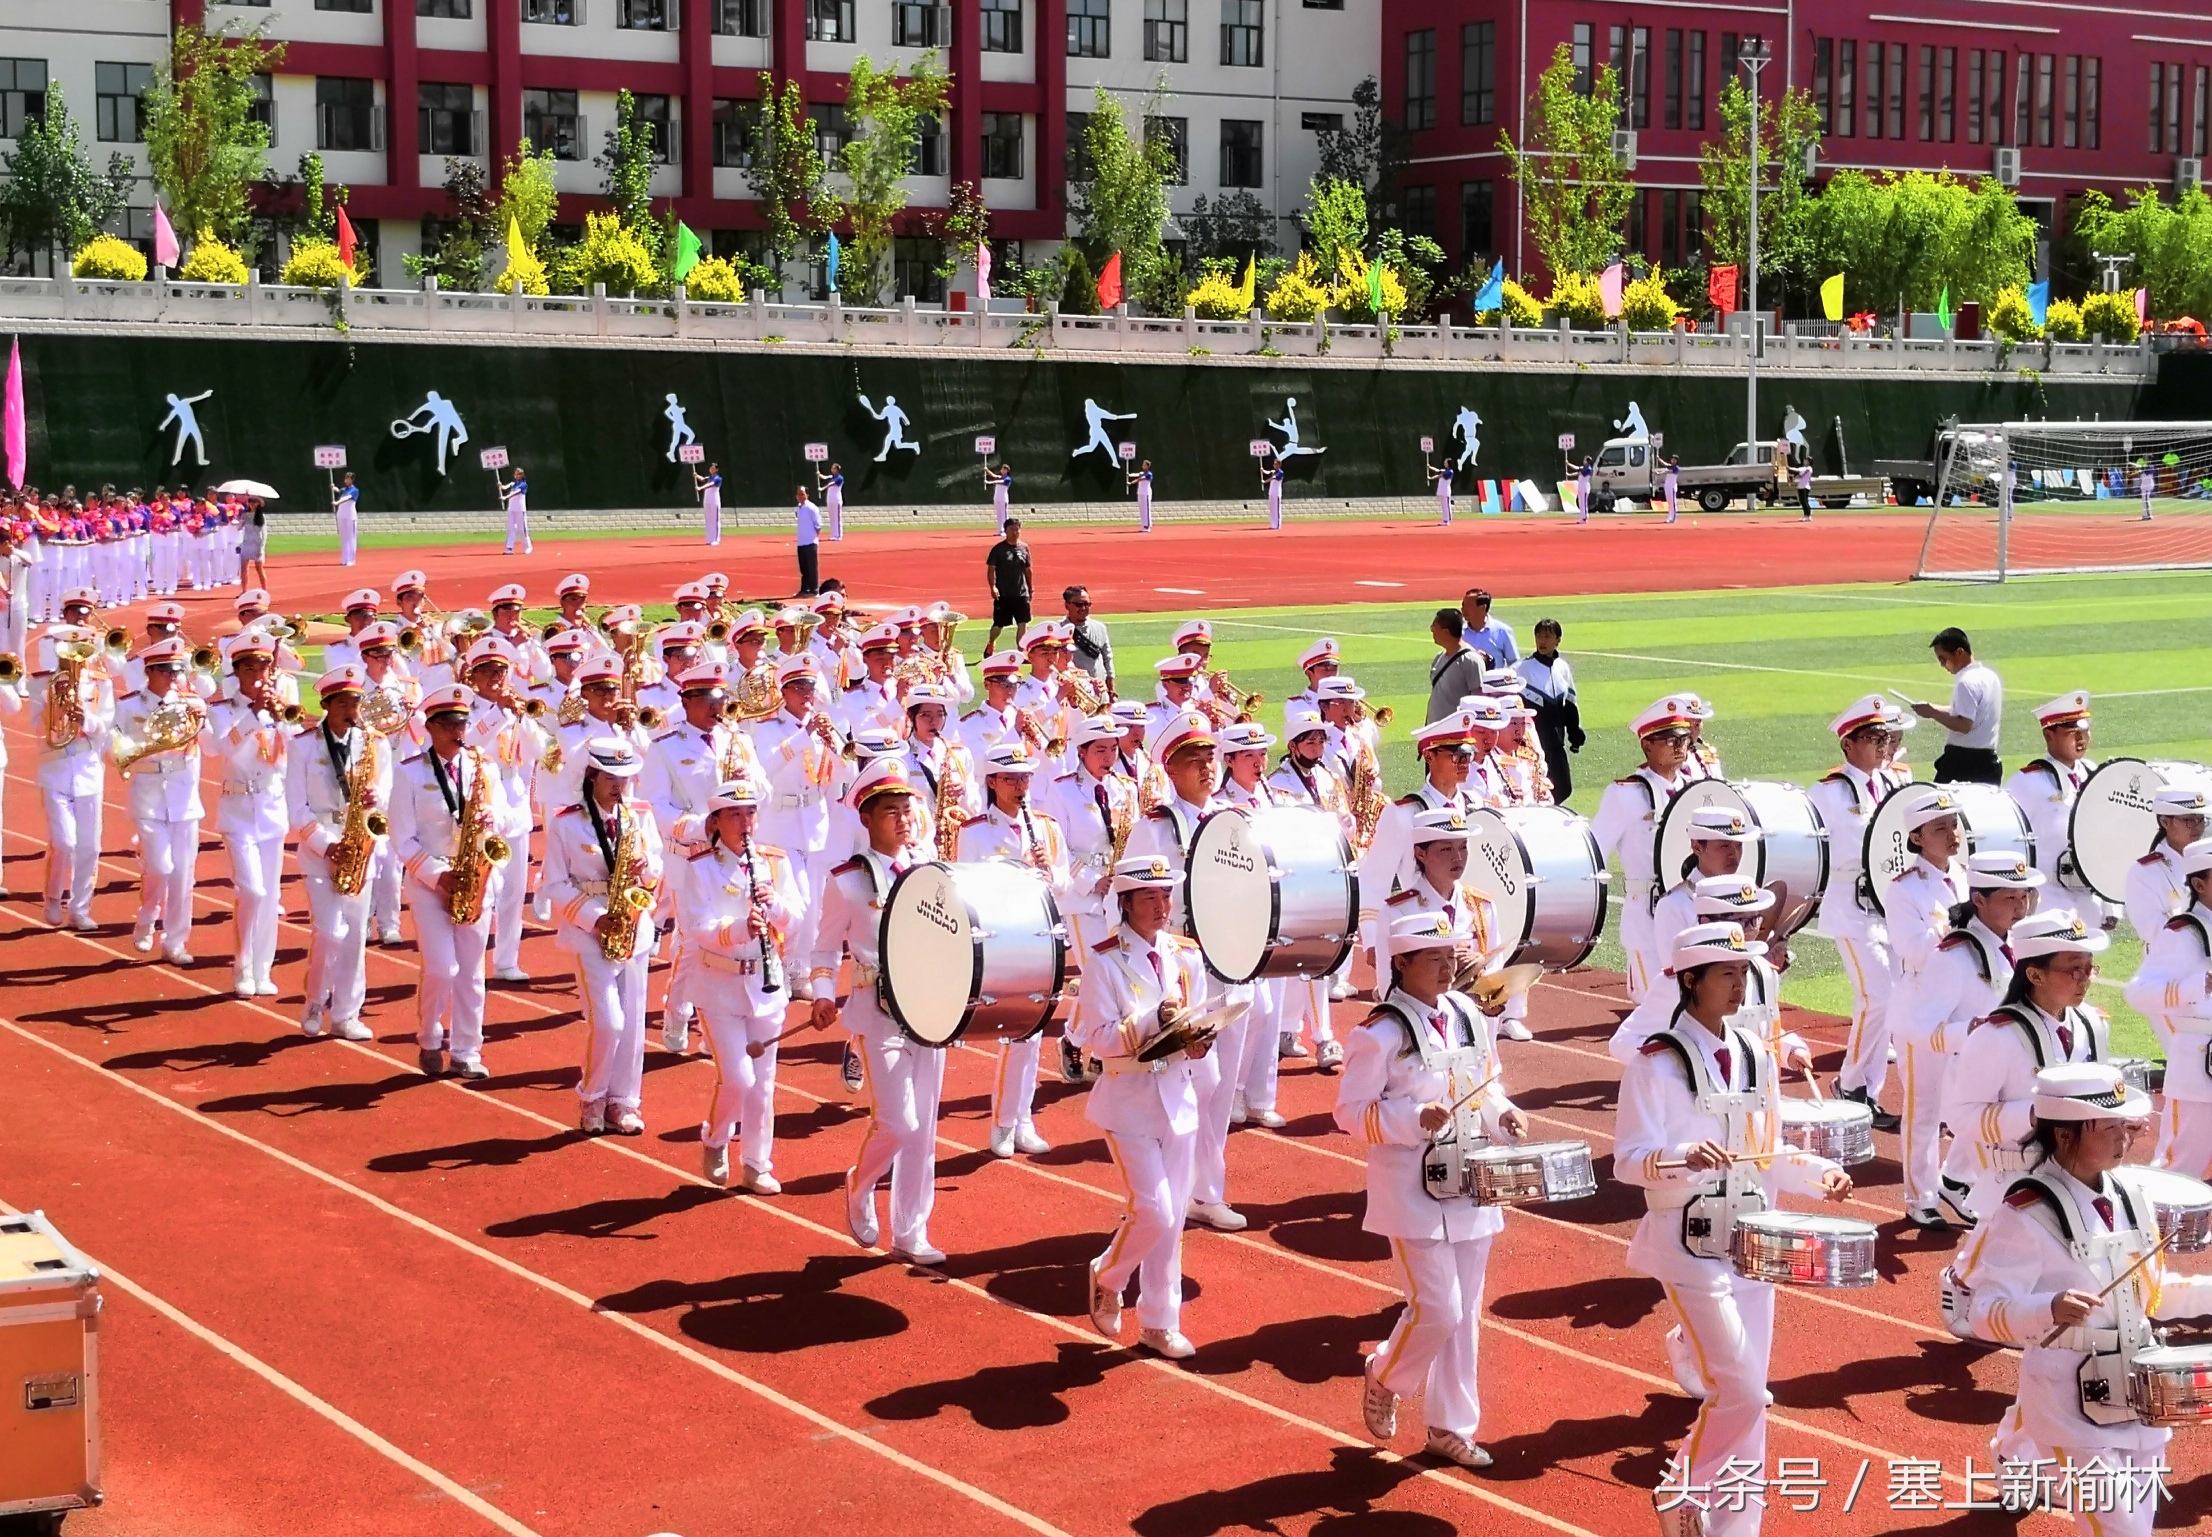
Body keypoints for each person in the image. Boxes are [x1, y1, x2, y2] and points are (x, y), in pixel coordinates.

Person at [1616, 922, 1854, 1537]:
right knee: (1741, 1391)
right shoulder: (1657, 1063)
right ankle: (1681, 1489)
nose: (1740, 983)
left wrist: (1818, 1172)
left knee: (1752, 1406)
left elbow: (1766, 1149)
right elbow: (1627, 1159)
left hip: (1751, 1240)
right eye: (1727, 972)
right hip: (1688, 1243)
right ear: (1690, 979)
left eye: (1745, 972)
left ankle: (1737, 1528)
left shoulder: (1754, 1053)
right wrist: (1681, 1158)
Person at [1953, 1062, 2212, 1536]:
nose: (2125, 1137)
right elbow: (1984, 1314)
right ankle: (2026, 1446)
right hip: (2069, 1403)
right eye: (2109, 1127)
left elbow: (2149, 1296)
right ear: (2066, 1135)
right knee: (2122, 1530)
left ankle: (2017, 1456)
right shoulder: (2024, 1214)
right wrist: (2046, 1309)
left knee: (2138, 1519)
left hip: (2140, 1397)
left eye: (2125, 1125)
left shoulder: (2132, 1195)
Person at [1342, 906, 1524, 1467]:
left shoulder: (1469, 1013)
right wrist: (1410, 1119)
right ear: (1402, 962)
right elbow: (1349, 1112)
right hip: (1410, 1189)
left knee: (1466, 1309)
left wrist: (1504, 1115)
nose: (1449, 968)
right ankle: (1387, 1374)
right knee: (1438, 1307)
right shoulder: (1379, 1032)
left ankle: (1450, 1426)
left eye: (1452, 957)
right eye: (1436, 959)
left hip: (1471, 1181)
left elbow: (1486, 1084)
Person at [1074, 853, 1213, 1361]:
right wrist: (1154, 1018)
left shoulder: (1185, 955)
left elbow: (1196, 1017)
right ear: (1126, 903)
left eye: (1166, 896)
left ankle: (1159, 1321)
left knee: (1173, 1217)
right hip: (1128, 1102)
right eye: (1149, 897)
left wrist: (1200, 1040)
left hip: (1178, 1098)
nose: (1161, 906)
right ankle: (1109, 1275)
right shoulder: (1105, 962)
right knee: (1152, 1210)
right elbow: (1099, 1039)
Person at [808, 759, 945, 1264]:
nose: (904, 819)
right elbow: (823, 949)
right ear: (867, 818)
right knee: (898, 1122)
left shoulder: (929, 872)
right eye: (891, 811)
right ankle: (859, 1184)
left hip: (931, 1008)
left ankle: (911, 1230)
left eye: (907, 809)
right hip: (877, 1008)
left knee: (924, 1128)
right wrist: (824, 992)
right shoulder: (848, 880)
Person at [1943, 909, 2116, 1235]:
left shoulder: (2091, 1024)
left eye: (2089, 968)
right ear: (2035, 975)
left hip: (2078, 1188)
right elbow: (1961, 1118)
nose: (2086, 979)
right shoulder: (1996, 1037)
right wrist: (2035, 1115)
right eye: (2074, 970)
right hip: (2015, 1191)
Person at [676, 779, 800, 1190]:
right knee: (739, 1078)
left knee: (764, 1082)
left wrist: (775, 905)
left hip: (766, 983)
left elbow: (798, 917)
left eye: (750, 813)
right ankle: (715, 1137)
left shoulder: (775, 862)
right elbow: (697, 926)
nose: (745, 822)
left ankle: (756, 1161)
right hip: (718, 985)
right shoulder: (701, 867)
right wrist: (739, 929)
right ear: (716, 820)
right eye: (735, 814)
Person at [544, 736, 664, 1133]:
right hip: (590, 930)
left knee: (632, 1023)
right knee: (608, 1021)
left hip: (633, 927)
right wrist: (596, 918)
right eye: (610, 776)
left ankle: (624, 1101)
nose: (619, 785)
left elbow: (657, 869)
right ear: (592, 774)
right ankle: (592, 1096)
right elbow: (555, 884)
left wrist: (646, 867)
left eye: (625, 777)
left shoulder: (640, 815)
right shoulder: (566, 821)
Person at [958, 741, 1071, 1157]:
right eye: (1012, 778)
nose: (1021, 785)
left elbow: (1065, 883)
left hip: (1043, 935)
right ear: (992, 782)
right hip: (1004, 938)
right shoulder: (974, 831)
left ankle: (1022, 1119)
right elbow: (967, 886)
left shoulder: (1046, 826)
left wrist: (1046, 872)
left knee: (1034, 1033)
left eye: (1025, 777)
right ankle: (1004, 1122)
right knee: (1016, 1032)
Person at [391, 684, 506, 1079]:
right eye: (450, 725)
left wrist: (494, 822)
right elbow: (401, 838)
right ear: (431, 727)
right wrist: (438, 876)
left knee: (473, 971)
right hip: (431, 881)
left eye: (463, 724)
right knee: (441, 968)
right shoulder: (409, 772)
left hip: (475, 876)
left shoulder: (484, 768)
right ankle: (428, 1036)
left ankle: (467, 1050)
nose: (459, 732)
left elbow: (510, 819)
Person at [1811, 695, 1912, 1129]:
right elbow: (1811, 848)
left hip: (1892, 909)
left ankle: (1865, 1093)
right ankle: (1851, 1084)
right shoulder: (1830, 791)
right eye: (1872, 738)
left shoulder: (1893, 786)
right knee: (1879, 997)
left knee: (1884, 1002)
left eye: (1885, 738)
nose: (1883, 746)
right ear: (1848, 744)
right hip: (1851, 907)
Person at [286, 666, 386, 1044]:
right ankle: (315, 1000)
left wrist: (376, 802)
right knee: (328, 933)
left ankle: (346, 1013)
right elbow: (297, 808)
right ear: (326, 705)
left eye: (356, 701)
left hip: (361, 845)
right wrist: (326, 845)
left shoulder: (374, 744)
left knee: (356, 937)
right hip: (322, 848)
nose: (352, 709)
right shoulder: (303, 745)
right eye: (343, 702)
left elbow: (388, 800)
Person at [1589, 697, 1700, 1003]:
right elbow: (1594, 850)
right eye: (1669, 740)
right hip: (1647, 912)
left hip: (1690, 910)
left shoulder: (1697, 788)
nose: (1679, 746)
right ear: (1647, 746)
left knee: (1691, 1006)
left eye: (1683, 739)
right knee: (1653, 1008)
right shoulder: (1626, 794)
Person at [111, 636, 207, 965]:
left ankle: (175, 941)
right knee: (160, 866)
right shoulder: (128, 706)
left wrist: (202, 716)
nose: (173, 676)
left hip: (184, 797)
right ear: (149, 671)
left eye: (177, 670)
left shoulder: (190, 704)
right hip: (148, 794)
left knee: (183, 874)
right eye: (166, 670)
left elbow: (211, 742)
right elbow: (112, 750)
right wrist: (135, 756)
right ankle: (147, 916)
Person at [2123, 838, 2212, 1180]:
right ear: (2200, 884)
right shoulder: (2184, 933)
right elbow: (2138, 992)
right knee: (2180, 1169)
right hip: (2200, 1070)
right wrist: (2193, 988)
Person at [210, 634, 291, 998]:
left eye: (264, 668)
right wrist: (254, 715)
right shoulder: (223, 708)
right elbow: (219, 748)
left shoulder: (279, 706)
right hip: (238, 808)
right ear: (237, 673)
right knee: (251, 890)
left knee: (270, 893)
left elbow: (290, 754)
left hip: (272, 807)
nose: (259, 676)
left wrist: (280, 718)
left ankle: (263, 967)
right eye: (250, 669)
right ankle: (242, 964)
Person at [2004, 692, 2111, 927]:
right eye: (2073, 733)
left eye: (2085, 731)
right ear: (2048, 734)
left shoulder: (2094, 773)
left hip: (2088, 896)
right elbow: (2008, 841)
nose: (2082, 739)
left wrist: (2111, 903)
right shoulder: (2026, 782)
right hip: (2047, 896)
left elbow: (2107, 837)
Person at [1911, 626, 2003, 784]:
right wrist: (1931, 708)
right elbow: (1969, 713)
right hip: (1988, 760)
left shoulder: (1966, 683)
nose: (1942, 665)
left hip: (1963, 762)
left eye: (1943, 659)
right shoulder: (1990, 676)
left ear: (1959, 652)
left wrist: (1933, 713)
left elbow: (1964, 725)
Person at [1514, 619, 1582, 801]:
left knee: (1563, 788)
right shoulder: (1521, 669)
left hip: (1556, 742)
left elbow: (1570, 704)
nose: (1542, 641)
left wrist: (1575, 733)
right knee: (1536, 789)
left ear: (1558, 640)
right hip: (1533, 743)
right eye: (1538, 636)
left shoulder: (1562, 668)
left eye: (1547, 636)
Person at [1424, 609, 1486, 724]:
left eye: (1435, 626)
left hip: (1457, 733)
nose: (1431, 628)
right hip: (1435, 730)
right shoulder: (1439, 657)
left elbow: (1479, 700)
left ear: (1446, 632)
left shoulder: (1471, 660)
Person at [984, 518, 1032, 655]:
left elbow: (1028, 570)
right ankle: (991, 643)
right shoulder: (998, 550)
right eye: (1012, 529)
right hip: (1003, 594)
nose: (1015, 532)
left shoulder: (1024, 548)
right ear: (1006, 531)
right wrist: (993, 587)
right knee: (999, 624)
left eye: (1017, 529)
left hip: (1021, 593)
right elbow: (991, 569)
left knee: (1022, 623)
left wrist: (1030, 587)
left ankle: (1021, 651)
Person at [1063, 586, 1114, 697]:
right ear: (1067, 605)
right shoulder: (1059, 630)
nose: (1083, 608)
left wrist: (1111, 689)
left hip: (1100, 690)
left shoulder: (1100, 627)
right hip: (1074, 692)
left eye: (1087, 604)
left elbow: (1107, 658)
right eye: (1079, 604)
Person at [1458, 590, 1517, 667]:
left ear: (1483, 608)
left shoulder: (1503, 631)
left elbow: (1514, 664)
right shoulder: (1458, 633)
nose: (1463, 610)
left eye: (1469, 606)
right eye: (1463, 605)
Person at [790, 485, 822, 597]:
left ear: (807, 495)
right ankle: (804, 589)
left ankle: (814, 590)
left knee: (812, 567)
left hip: (810, 542)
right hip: (801, 542)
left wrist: (814, 538)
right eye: (798, 494)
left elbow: (818, 525)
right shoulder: (799, 508)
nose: (800, 496)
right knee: (804, 568)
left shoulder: (812, 508)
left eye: (802, 494)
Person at [497, 467, 532, 556]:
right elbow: (505, 487)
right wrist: (500, 486)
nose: (517, 475)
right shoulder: (513, 484)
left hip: (520, 509)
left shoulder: (524, 485)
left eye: (519, 474)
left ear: (522, 475)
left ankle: (528, 547)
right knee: (511, 528)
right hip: (511, 509)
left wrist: (505, 497)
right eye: (516, 474)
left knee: (522, 529)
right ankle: (509, 548)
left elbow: (516, 492)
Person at [239, 501, 269, 594]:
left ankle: (264, 589)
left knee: (259, 568)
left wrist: (261, 547)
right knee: (244, 567)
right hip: (247, 543)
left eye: (254, 502)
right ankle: (244, 590)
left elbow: (264, 533)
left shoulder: (261, 517)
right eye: (250, 502)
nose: (252, 504)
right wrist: (240, 521)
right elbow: (239, 528)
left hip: (257, 543)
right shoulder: (245, 515)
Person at [333, 472, 360, 568]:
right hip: (341, 515)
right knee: (344, 537)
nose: (346, 480)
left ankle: (351, 559)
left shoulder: (354, 490)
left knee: (351, 538)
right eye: (345, 478)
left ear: (352, 480)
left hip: (350, 516)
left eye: (348, 478)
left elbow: (347, 498)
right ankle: (344, 558)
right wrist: (333, 487)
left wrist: (337, 502)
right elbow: (339, 491)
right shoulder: (344, 489)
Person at [694, 463, 723, 547]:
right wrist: (696, 476)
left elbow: (710, 485)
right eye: (711, 468)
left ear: (717, 470)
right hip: (707, 500)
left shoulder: (718, 478)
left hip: (714, 500)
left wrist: (700, 488)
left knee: (715, 519)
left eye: (713, 468)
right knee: (708, 519)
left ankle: (716, 539)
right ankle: (710, 538)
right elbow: (703, 479)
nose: (712, 469)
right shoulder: (709, 477)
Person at [984, 459, 1013, 534]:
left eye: (1004, 469)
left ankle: (1005, 530)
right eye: (1002, 469)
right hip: (997, 498)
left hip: (1003, 498)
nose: (1002, 470)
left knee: (1004, 515)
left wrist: (989, 482)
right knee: (999, 515)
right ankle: (999, 530)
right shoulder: (1000, 476)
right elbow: (993, 475)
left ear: (1007, 471)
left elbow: (1000, 482)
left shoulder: (1007, 479)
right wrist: (987, 470)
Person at [1126, 458, 1154, 532]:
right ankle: (1144, 525)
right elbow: (1137, 474)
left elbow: (1140, 479)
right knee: (1142, 509)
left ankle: (1147, 526)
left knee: (1146, 510)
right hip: (1140, 493)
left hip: (1146, 493)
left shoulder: (1149, 474)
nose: (1143, 466)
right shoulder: (1142, 473)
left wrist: (1131, 483)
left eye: (1144, 465)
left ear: (1147, 466)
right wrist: (1129, 475)